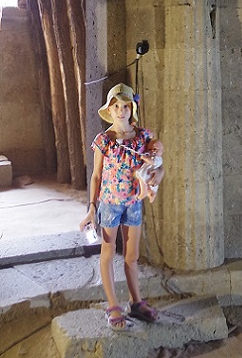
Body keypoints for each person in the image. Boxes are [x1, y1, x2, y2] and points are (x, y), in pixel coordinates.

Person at [80, 82, 164, 330]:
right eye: (115, 106)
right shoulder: (104, 140)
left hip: (134, 203)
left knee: (132, 256)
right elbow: (96, 175)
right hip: (109, 204)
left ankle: (136, 302)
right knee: (107, 254)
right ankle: (113, 305)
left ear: (131, 108)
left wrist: (159, 174)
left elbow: (158, 164)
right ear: (109, 109)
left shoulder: (144, 137)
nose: (120, 111)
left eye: (125, 106)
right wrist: (92, 207)